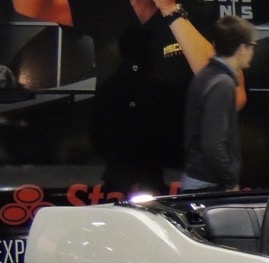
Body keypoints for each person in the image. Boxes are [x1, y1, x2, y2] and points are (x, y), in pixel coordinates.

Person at [13, 0, 246, 195]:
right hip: (116, 173)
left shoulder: (199, 9)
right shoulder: (104, 7)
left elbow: (234, 96)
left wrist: (170, 11)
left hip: (184, 172)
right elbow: (29, 6)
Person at [180, 16, 256, 191]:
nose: (252, 52)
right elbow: (212, 143)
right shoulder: (223, 84)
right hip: (208, 183)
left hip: (198, 177)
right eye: (251, 46)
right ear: (241, 48)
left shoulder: (206, 75)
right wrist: (231, 180)